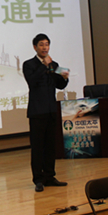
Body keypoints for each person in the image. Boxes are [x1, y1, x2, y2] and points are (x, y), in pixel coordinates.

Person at [23, 33, 69, 192]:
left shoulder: (54, 64)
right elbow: (32, 81)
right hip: (37, 111)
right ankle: (38, 179)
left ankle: (50, 176)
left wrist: (65, 77)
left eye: (47, 44)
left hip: (51, 110)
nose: (45, 48)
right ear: (35, 47)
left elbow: (60, 85)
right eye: (41, 45)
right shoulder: (29, 64)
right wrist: (44, 65)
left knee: (50, 146)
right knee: (37, 147)